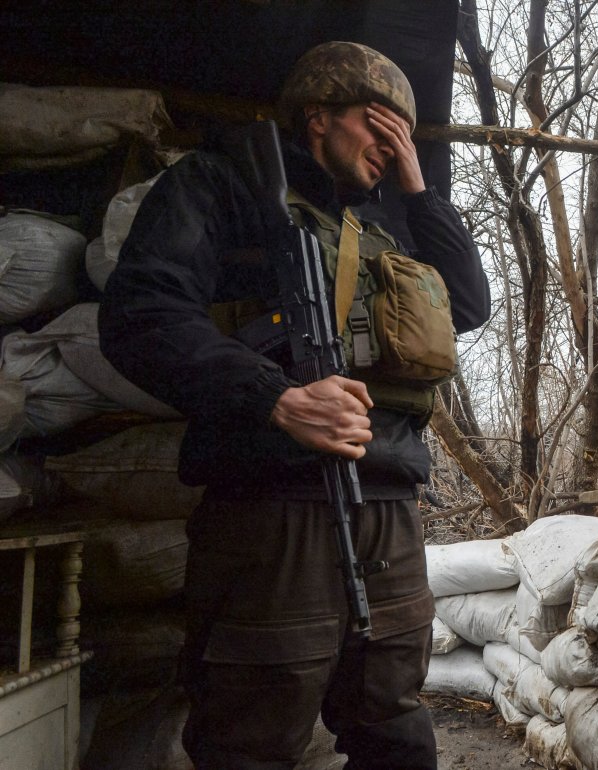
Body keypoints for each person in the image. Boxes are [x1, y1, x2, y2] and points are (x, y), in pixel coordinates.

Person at [99, 41, 490, 769]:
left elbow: (468, 304)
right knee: (252, 736)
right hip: (273, 513)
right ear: (318, 116)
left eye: (405, 132)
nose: (394, 142)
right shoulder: (223, 185)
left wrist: (415, 188)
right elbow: (140, 315)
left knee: (396, 724)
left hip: (391, 512)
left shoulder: (394, 222)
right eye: (378, 124)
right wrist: (274, 398)